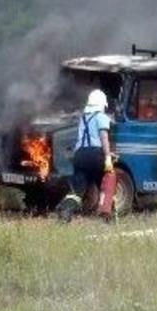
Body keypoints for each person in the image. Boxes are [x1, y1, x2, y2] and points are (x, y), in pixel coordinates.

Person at [57, 89, 114, 221]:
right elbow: (103, 138)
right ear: (102, 104)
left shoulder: (83, 118)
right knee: (106, 184)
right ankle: (108, 216)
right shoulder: (101, 117)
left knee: (77, 189)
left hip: (80, 156)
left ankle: (65, 210)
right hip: (95, 156)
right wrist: (108, 157)